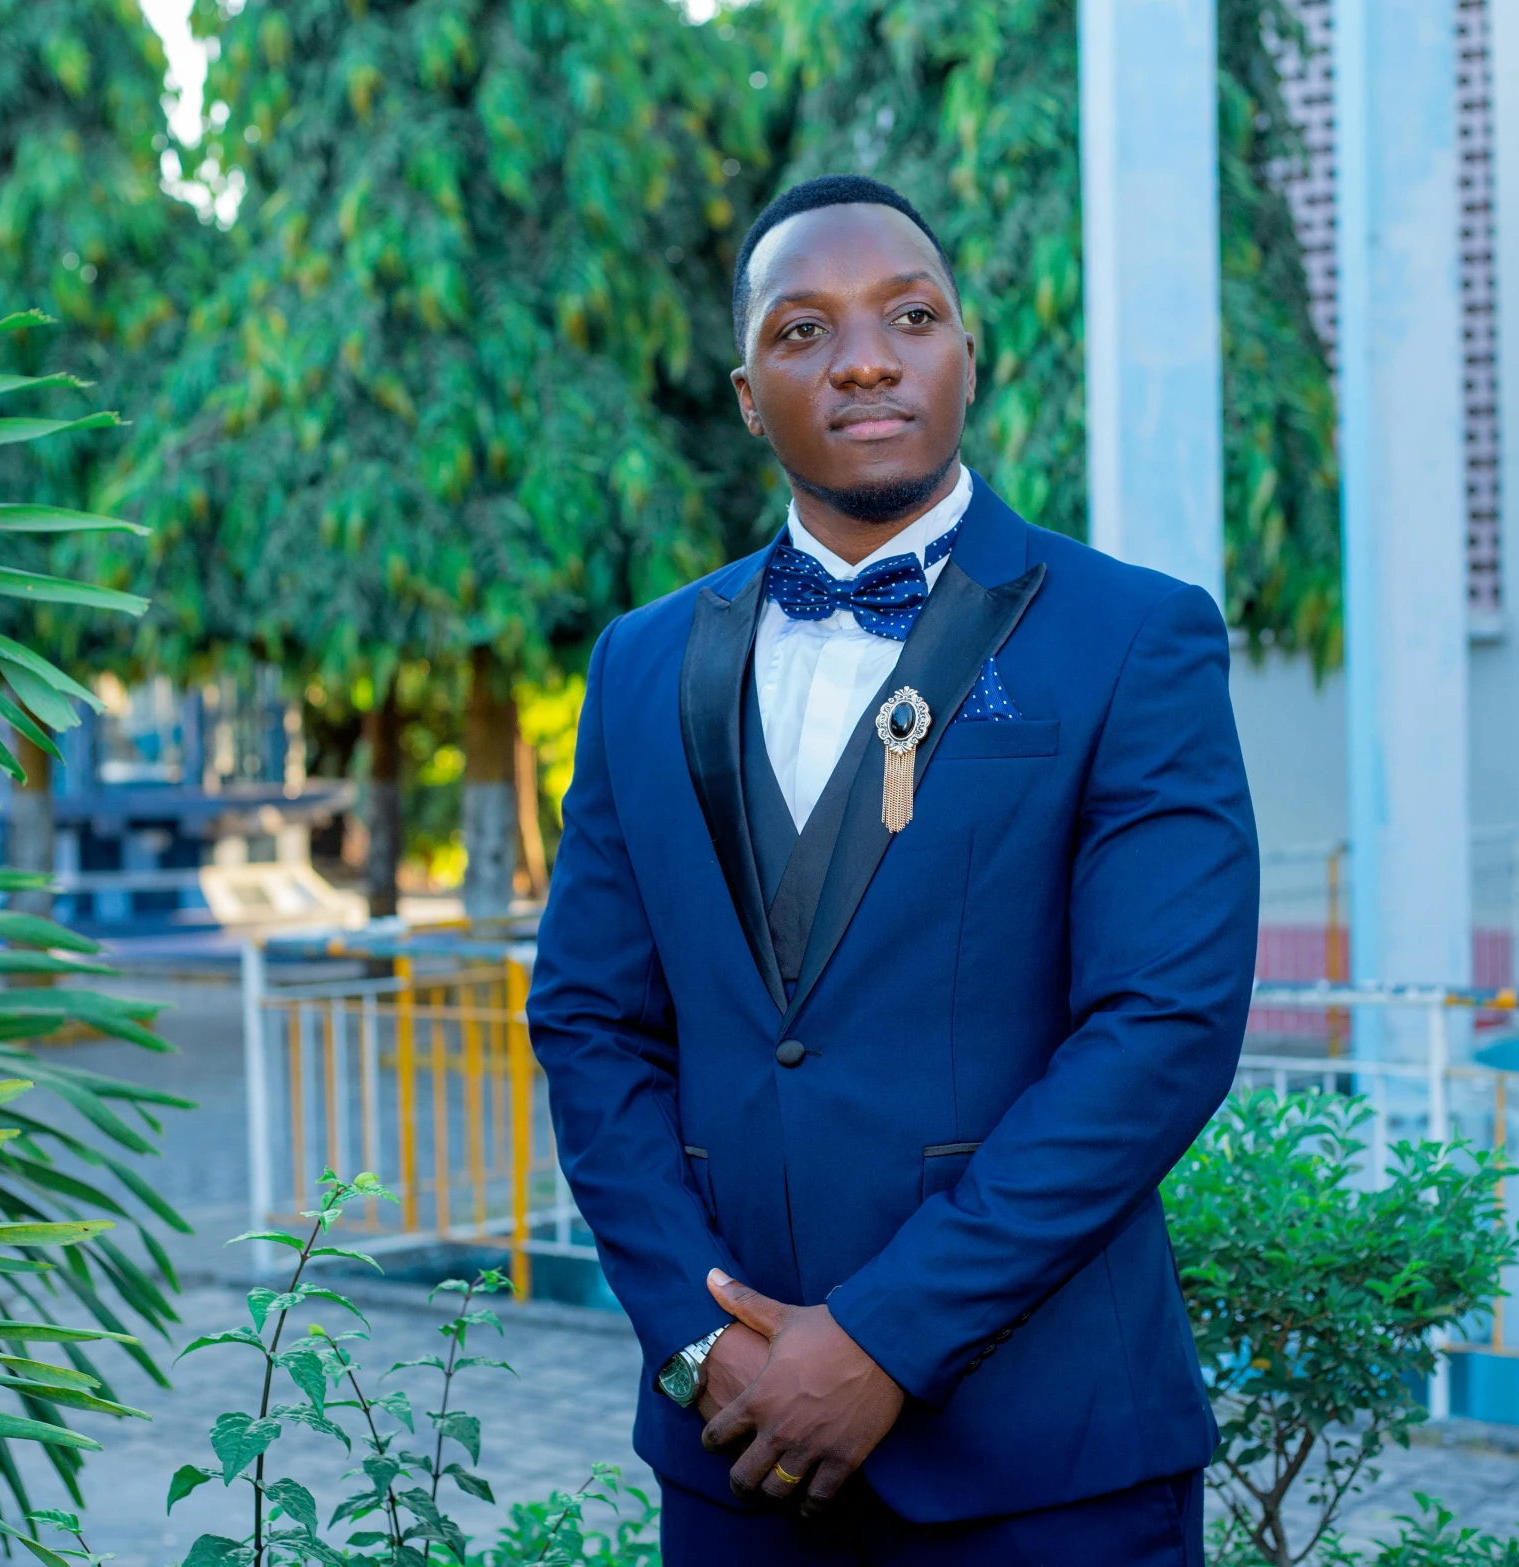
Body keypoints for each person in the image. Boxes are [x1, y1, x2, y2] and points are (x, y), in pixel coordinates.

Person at [527, 175, 1259, 1564]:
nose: (863, 357)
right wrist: (701, 1341)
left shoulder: (1132, 637)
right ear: (747, 393)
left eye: (908, 316)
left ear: (965, 354)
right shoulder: (640, 661)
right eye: (801, 331)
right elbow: (590, 1020)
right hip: (730, 1454)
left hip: (1045, 1468)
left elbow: (1158, 1032)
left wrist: (877, 1340)